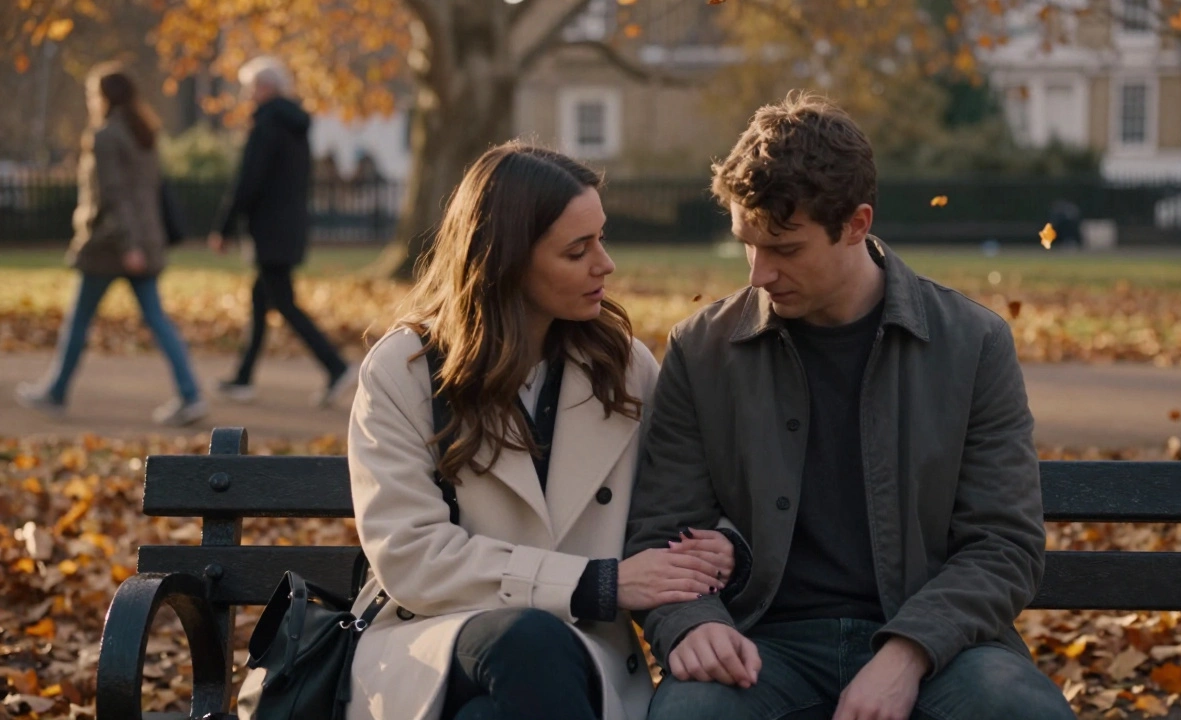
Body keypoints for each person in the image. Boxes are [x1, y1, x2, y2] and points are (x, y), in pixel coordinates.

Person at [625, 91, 1076, 720]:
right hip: (760, 643)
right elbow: (660, 530)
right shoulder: (702, 349)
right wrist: (691, 625)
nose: (758, 274)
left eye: (784, 249)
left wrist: (906, 653)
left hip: (939, 645)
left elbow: (1003, 544)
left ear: (857, 224)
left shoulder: (972, 342)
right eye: (746, 244)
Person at [324, 143, 738, 720]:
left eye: (601, 237)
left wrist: (715, 542)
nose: (605, 264)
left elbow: (674, 499)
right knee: (529, 640)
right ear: (507, 261)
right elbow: (412, 556)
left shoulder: (622, 368)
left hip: (580, 665)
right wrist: (598, 584)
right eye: (577, 250)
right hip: (437, 645)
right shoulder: (407, 371)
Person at [15, 62, 207, 427]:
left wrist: (129, 244)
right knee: (156, 319)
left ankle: (55, 392)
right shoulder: (143, 133)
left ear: (102, 97)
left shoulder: (106, 136)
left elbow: (115, 197)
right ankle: (190, 394)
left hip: (112, 246)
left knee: (80, 321)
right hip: (143, 241)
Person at [208, 56, 354, 407]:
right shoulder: (296, 126)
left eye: (249, 88)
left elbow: (249, 181)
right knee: (262, 300)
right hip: (288, 227)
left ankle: (336, 366)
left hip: (270, 229)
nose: (247, 96)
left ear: (265, 87)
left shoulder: (267, 125)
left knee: (284, 304)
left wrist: (224, 227)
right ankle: (243, 377)